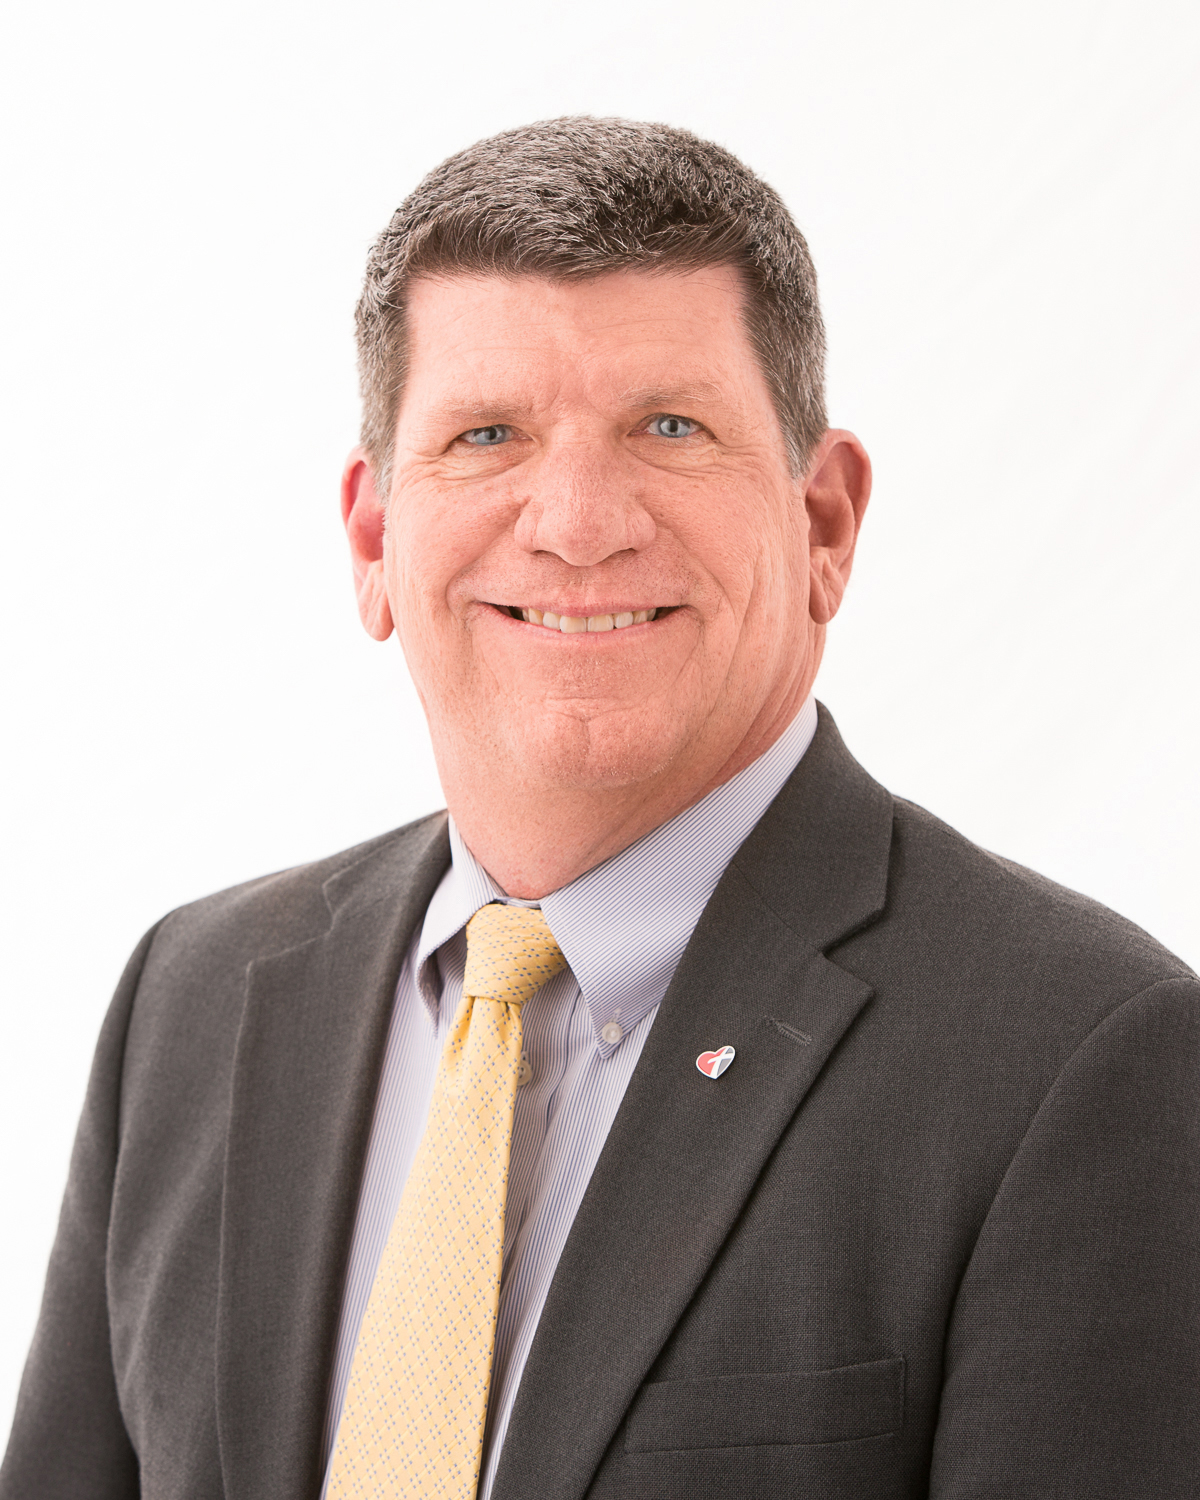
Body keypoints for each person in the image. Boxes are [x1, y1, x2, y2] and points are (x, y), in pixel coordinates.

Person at [2, 116, 1196, 1500]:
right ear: (375, 539)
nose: (576, 520)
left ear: (824, 524)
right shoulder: (192, 1002)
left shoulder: (1084, 1061)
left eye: (669, 427)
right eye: (486, 435)